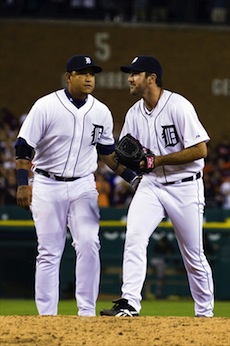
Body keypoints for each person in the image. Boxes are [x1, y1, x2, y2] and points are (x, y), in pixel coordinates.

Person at [15, 55, 138, 316]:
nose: (89, 78)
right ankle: (47, 316)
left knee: (89, 244)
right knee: (49, 251)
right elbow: (24, 146)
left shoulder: (101, 111)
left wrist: (132, 177)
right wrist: (22, 184)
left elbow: (107, 154)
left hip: (83, 185)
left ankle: (86, 312)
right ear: (68, 77)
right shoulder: (46, 106)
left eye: (92, 73)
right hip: (48, 184)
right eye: (82, 73)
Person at [100, 55, 214, 317]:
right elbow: (129, 152)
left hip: (184, 186)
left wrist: (157, 160)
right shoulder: (134, 113)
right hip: (151, 185)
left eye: (135, 74)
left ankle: (205, 314)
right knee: (134, 238)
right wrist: (132, 163)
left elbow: (201, 149)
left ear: (151, 79)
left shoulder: (178, 106)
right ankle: (129, 303)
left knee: (193, 255)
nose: (129, 78)